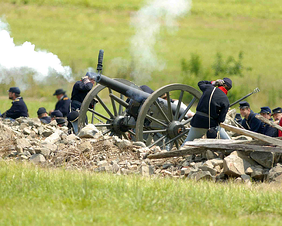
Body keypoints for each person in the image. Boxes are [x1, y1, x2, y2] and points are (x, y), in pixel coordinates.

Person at [182, 78, 232, 143]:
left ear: (220, 84)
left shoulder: (209, 88)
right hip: (210, 125)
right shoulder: (226, 100)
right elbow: (221, 120)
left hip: (197, 120)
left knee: (187, 142)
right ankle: (230, 143)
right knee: (220, 129)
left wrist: (212, 83)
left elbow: (200, 83)